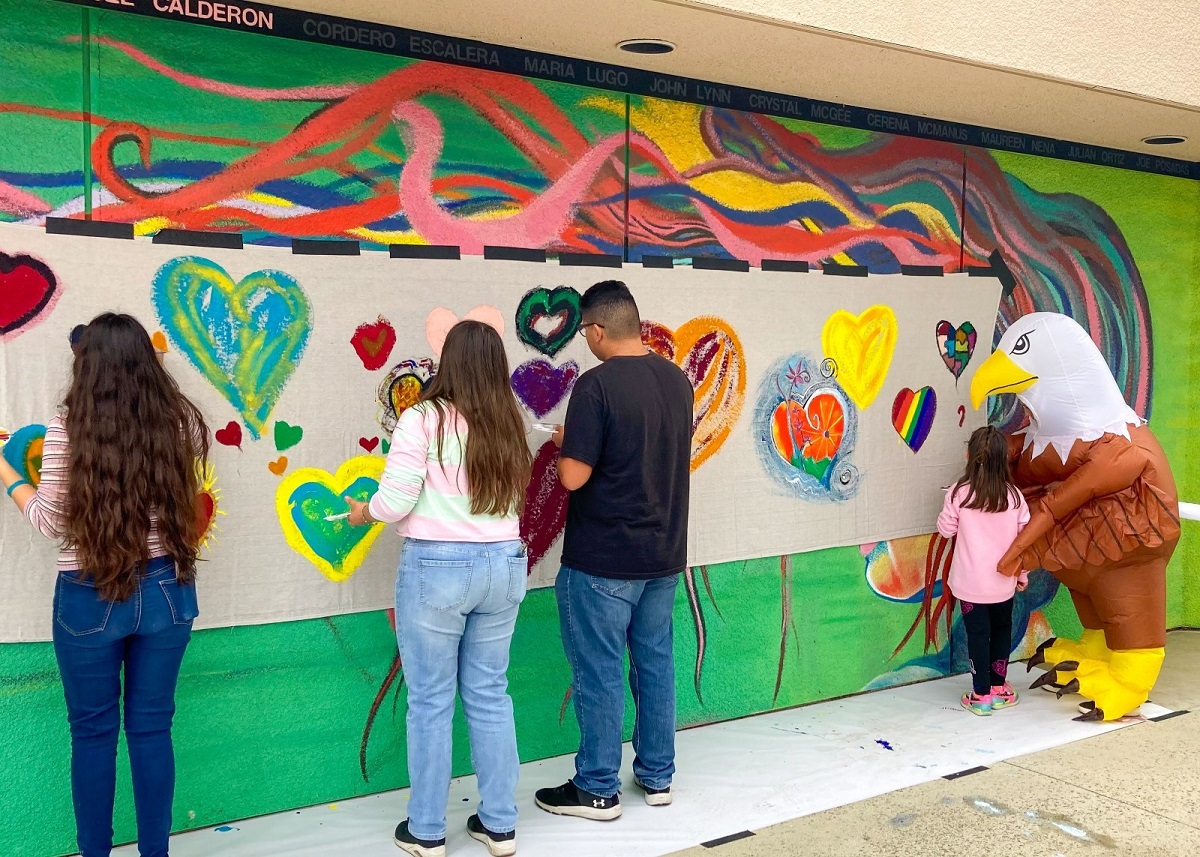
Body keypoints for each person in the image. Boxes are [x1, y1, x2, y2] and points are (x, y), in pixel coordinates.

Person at [0, 313, 209, 857]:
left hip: (89, 593)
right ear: (147, 361)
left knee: (92, 735)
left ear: (86, 365)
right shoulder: (178, 423)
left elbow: (50, 519)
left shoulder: (69, 425)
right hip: (167, 591)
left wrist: (6, 469)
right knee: (151, 729)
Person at [345, 320, 532, 857]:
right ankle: (499, 826)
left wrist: (365, 513)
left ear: (447, 362)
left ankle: (427, 831)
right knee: (491, 695)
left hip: (438, 568)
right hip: (503, 564)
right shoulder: (507, 422)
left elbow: (397, 500)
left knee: (430, 701)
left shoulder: (421, 418)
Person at [535, 280, 694, 821]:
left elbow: (575, 477)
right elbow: (644, 448)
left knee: (600, 671)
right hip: (664, 555)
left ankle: (597, 787)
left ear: (599, 329)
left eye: (584, 332)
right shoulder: (677, 381)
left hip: (603, 560)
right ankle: (658, 776)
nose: (586, 342)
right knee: (654, 662)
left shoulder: (595, 387)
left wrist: (566, 445)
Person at [936, 425, 1031, 716]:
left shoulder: (959, 494)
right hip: (1004, 583)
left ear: (969, 455)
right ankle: (999, 687)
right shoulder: (1014, 497)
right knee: (1002, 629)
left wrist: (948, 504)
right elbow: (1023, 542)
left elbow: (945, 530)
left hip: (970, 585)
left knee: (978, 635)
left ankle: (980, 694)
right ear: (1004, 459)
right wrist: (1022, 575)